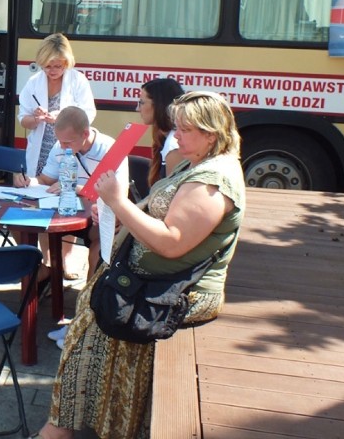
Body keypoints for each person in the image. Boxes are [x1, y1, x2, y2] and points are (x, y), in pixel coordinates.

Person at [34, 91, 245, 439]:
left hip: (166, 296)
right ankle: (64, 428)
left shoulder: (213, 181)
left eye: (184, 128)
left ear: (212, 133)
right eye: (176, 126)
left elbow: (172, 241)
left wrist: (118, 203)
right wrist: (128, 217)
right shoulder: (198, 163)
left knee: (88, 337)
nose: (175, 134)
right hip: (146, 287)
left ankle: (62, 430)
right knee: (85, 338)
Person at [14, 105, 127, 279]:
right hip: (64, 214)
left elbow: (119, 196)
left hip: (96, 218)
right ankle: (45, 271)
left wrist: (74, 187)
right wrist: (28, 181)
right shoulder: (60, 146)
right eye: (60, 141)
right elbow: (45, 180)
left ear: (86, 134)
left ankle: (88, 300)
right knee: (15, 220)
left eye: (68, 142)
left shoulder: (110, 148)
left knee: (99, 249)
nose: (63, 146)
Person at [16, 33, 95, 278]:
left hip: (68, 149)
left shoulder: (78, 80)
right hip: (41, 151)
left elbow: (88, 115)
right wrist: (37, 118)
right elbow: (24, 120)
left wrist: (61, 116)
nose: (52, 70)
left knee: (67, 200)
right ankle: (48, 261)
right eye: (48, 66)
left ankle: (65, 260)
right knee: (42, 202)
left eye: (58, 66)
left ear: (67, 62)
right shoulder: (33, 82)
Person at [138, 77, 186, 191]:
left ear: (159, 105)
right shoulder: (167, 139)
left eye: (142, 103)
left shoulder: (174, 144)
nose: (137, 108)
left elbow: (170, 196)